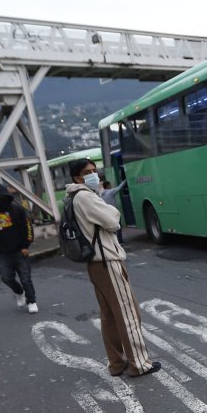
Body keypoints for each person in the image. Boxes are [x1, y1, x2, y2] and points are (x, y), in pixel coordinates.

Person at [66, 158, 160, 377]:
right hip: (107, 261)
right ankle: (139, 363)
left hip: (96, 264)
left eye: (95, 170)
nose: (94, 175)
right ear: (78, 177)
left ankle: (117, 363)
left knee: (109, 317)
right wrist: (109, 209)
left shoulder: (72, 198)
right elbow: (113, 221)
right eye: (88, 172)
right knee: (128, 312)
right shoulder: (85, 197)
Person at [0, 184, 38, 314]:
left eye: (3, 197)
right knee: (6, 277)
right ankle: (19, 292)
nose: (0, 200)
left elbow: (28, 228)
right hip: (2, 252)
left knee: (25, 278)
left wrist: (25, 245)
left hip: (19, 250)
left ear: (7, 197)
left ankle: (31, 301)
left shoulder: (17, 210)